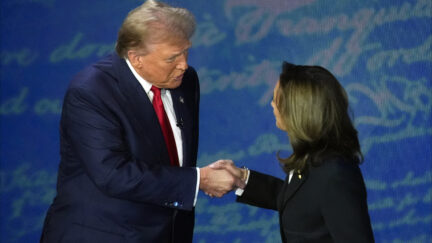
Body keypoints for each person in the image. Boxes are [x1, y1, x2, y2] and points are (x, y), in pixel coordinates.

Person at [40, 1, 241, 242]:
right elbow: (113, 173)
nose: (184, 64)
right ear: (136, 58)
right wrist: (200, 179)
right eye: (172, 58)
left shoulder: (185, 81)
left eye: (186, 50)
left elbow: (167, 159)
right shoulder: (91, 91)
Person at [213, 62, 375, 242]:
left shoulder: (335, 175)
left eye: (275, 99)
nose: (271, 104)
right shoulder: (315, 156)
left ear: (298, 110)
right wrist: (242, 179)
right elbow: (301, 201)